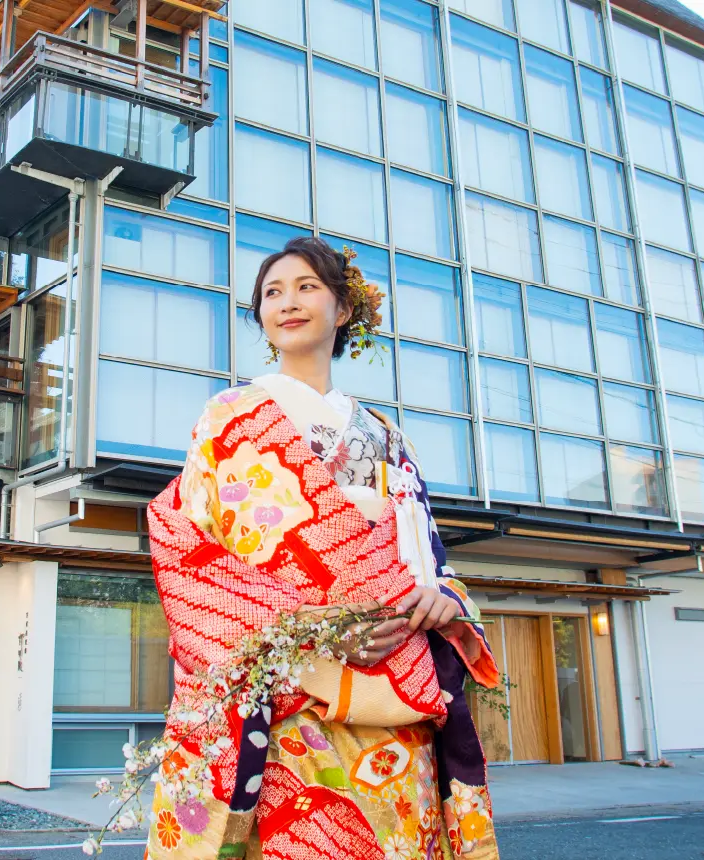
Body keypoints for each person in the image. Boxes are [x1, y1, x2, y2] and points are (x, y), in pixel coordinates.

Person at [144, 237, 502, 860]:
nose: (288, 302)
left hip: (396, 693)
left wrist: (442, 598)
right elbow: (186, 540)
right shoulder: (229, 416)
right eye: (272, 293)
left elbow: (427, 554)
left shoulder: (387, 435)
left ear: (343, 310)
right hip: (291, 693)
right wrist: (306, 630)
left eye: (307, 287)